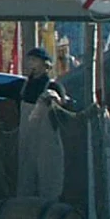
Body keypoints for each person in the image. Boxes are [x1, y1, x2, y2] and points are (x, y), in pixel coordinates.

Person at [10, 46, 75, 202]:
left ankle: (49, 208)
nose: (30, 63)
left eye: (34, 60)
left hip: (47, 141)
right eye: (29, 60)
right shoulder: (24, 86)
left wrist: (58, 100)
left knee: (49, 176)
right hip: (26, 140)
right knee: (25, 177)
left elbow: (66, 106)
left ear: (45, 65)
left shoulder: (53, 86)